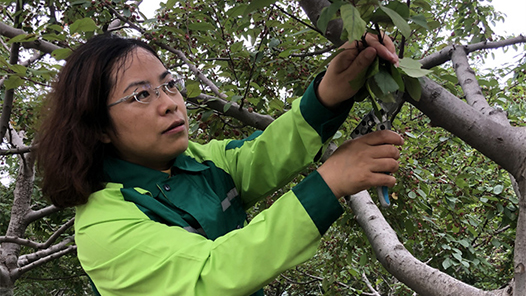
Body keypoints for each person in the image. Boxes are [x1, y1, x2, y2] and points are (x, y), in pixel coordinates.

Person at [36, 33, 403, 296]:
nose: (169, 103)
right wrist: (330, 181)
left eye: (169, 85)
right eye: (142, 95)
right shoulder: (104, 225)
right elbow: (210, 274)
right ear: (99, 126)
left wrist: (327, 96)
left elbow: (262, 155)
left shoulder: (198, 159)